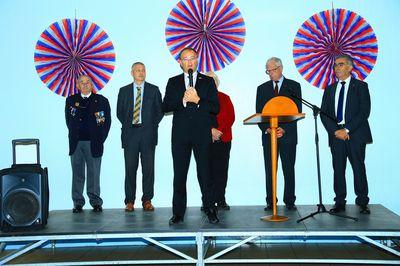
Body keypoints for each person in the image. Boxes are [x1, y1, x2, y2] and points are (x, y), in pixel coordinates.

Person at [162, 47, 220, 224]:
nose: (189, 62)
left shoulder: (208, 81)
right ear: (180, 62)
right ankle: (178, 213)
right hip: (180, 135)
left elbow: (215, 108)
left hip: (202, 134)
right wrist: (183, 100)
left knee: (205, 174)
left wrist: (198, 100)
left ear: (197, 60)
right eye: (185, 59)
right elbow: (165, 106)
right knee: (179, 174)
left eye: (192, 58)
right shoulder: (173, 82)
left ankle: (210, 209)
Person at [321, 54, 372, 214]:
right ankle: (340, 202)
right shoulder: (329, 89)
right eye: (335, 65)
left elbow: (364, 112)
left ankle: (362, 201)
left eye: (341, 64)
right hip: (336, 135)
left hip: (355, 134)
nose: (337, 68)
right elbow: (324, 113)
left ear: (350, 67)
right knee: (338, 169)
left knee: (358, 167)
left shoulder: (361, 86)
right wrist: (335, 131)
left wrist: (347, 129)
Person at [256, 57, 302, 211]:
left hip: (288, 135)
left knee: (289, 168)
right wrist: (267, 129)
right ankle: (271, 201)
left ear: (280, 68)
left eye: (272, 70)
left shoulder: (294, 86)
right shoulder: (261, 88)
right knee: (270, 169)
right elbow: (259, 114)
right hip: (269, 136)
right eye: (268, 71)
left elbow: (296, 111)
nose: (270, 74)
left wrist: (284, 129)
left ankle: (290, 201)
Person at [117, 62, 163, 212]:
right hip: (130, 135)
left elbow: (159, 111)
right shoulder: (123, 91)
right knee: (130, 168)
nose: (141, 72)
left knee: (148, 169)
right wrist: (131, 125)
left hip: (148, 135)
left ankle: (147, 200)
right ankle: (129, 201)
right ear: (132, 72)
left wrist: (149, 125)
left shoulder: (154, 90)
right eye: (138, 70)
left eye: (143, 70)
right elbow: (120, 113)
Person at [65, 75, 111, 213]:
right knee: (77, 174)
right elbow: (69, 121)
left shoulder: (101, 101)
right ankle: (78, 203)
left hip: (93, 143)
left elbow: (106, 123)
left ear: (92, 84)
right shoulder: (71, 100)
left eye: (88, 82)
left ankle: (96, 202)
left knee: (94, 174)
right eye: (82, 83)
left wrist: (99, 138)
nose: (85, 85)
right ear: (77, 85)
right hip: (76, 143)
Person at [205, 71, 235, 210]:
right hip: (205, 140)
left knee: (222, 171)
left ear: (217, 83)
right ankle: (208, 202)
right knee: (206, 172)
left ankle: (221, 200)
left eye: (213, 81)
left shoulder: (225, 97)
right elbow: (198, 119)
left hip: (223, 140)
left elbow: (230, 117)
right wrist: (210, 130)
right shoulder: (199, 100)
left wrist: (219, 131)